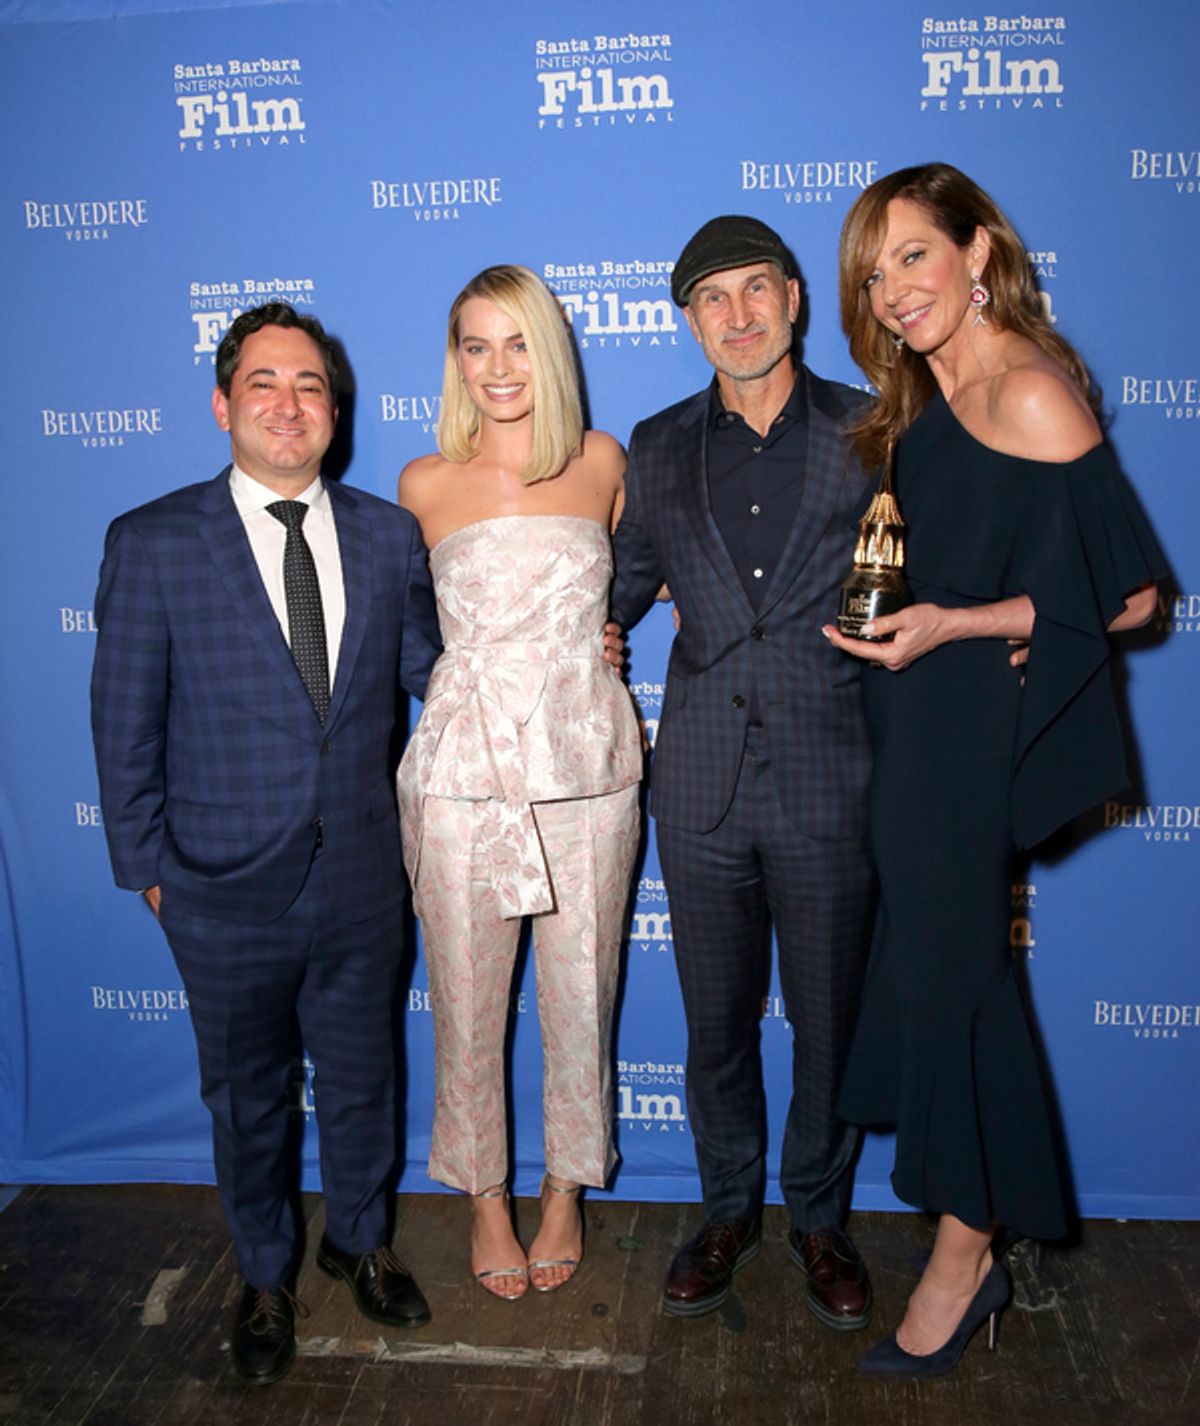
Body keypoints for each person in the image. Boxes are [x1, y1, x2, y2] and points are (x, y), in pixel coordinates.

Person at [826, 163, 1164, 1376]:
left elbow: (1129, 595)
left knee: (963, 983)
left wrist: (965, 626)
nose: (894, 288)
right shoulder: (926, 394)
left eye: (913, 255)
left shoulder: (1029, 389)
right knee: (934, 975)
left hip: (968, 738)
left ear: (978, 251)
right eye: (875, 272)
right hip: (913, 732)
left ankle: (967, 1254)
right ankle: (970, 1228)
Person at [90, 303, 443, 1386]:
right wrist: (150, 872)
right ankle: (262, 1272)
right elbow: (122, 722)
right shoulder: (152, 540)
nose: (289, 405)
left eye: (310, 388)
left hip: (363, 877)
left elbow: (437, 669)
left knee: (364, 1075)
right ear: (222, 403)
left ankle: (361, 1239)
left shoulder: (389, 535)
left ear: (335, 415)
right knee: (244, 1095)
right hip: (217, 886)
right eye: (264, 384)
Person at [609, 217, 877, 1328]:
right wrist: (580, 631)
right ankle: (729, 1209)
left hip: (834, 771)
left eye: (754, 289)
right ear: (688, 319)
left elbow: (924, 575)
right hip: (703, 782)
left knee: (829, 1020)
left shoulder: (874, 428)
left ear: (795, 298)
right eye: (711, 298)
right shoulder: (657, 442)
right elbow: (618, 583)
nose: (736, 314)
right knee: (713, 1022)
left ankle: (817, 1216)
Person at [396, 265, 642, 1300]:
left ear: (553, 350)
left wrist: (601, 643)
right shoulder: (421, 483)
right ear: (455, 359)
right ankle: (486, 1196)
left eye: (518, 343)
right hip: (464, 774)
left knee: (584, 993)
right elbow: (402, 635)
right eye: (475, 345)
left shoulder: (601, 462)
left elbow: (632, 580)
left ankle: (563, 1191)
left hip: (587, 765)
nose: (498, 367)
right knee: (465, 1000)